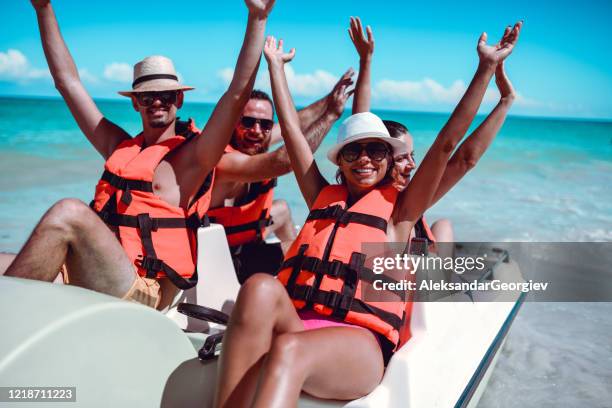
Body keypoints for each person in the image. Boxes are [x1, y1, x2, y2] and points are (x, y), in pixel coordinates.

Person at [213, 18, 522, 407]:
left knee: (290, 350)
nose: (365, 159)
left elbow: (450, 149)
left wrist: (485, 70)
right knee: (258, 286)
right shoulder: (324, 195)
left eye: (376, 151)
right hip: (301, 324)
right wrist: (276, 69)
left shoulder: (402, 211)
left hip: (359, 344)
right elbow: (292, 135)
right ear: (339, 160)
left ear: (389, 160)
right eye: (354, 151)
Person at [4, 0, 276, 310]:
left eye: (166, 95)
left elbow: (237, 94)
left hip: (146, 290)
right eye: (148, 96)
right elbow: (68, 84)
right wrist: (43, 10)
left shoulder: (195, 157)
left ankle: (8, 323)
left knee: (69, 212)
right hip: (99, 272)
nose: (157, 102)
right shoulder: (118, 146)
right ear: (136, 103)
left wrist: (257, 18)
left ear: (180, 99)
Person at [348, 16, 518, 258]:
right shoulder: (398, 202)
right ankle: (440, 289)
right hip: (390, 285)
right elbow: (456, 153)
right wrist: (488, 73)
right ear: (380, 159)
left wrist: (505, 101)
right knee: (438, 233)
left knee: (442, 226)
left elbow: (465, 159)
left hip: (407, 268)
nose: (412, 165)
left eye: (412, 156)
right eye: (403, 158)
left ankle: (440, 282)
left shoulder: (409, 198)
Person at [205, 75, 354, 283]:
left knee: (282, 208)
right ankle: (295, 273)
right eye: (247, 122)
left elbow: (295, 122)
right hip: (222, 260)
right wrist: (329, 116)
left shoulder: (255, 138)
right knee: (301, 254)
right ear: (233, 122)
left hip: (248, 243)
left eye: (265, 125)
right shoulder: (224, 160)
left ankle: (292, 270)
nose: (256, 131)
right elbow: (284, 160)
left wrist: (330, 99)